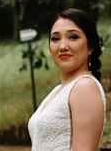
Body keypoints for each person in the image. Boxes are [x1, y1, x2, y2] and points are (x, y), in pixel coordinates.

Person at [28, 8, 106, 151]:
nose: (62, 46)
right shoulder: (58, 91)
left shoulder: (84, 86)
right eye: (55, 39)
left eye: (73, 37)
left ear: (91, 47)